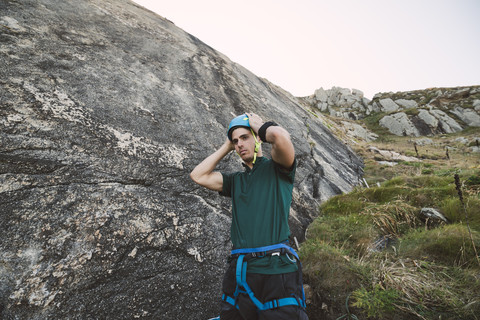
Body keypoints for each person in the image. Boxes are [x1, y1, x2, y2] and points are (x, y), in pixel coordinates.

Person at [190, 113, 308, 320]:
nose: (239, 144)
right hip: (241, 271)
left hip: (276, 270)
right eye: (236, 141)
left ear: (258, 138)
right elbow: (198, 175)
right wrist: (226, 146)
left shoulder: (278, 169)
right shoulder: (235, 181)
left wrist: (259, 126)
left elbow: (280, 136)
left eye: (244, 137)